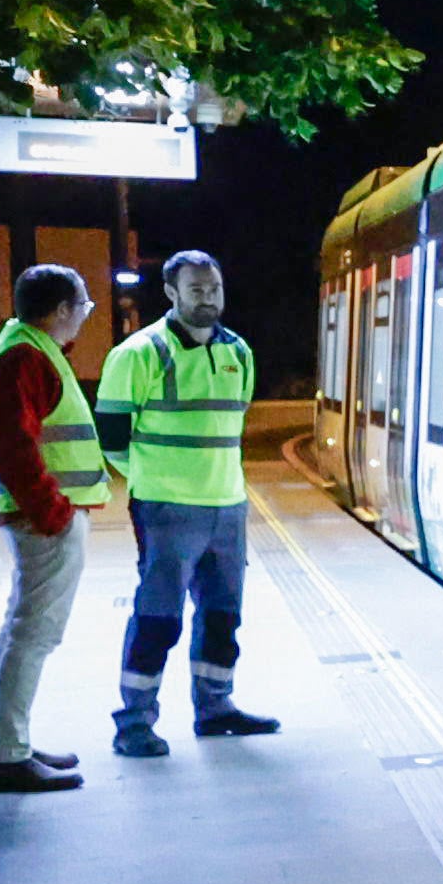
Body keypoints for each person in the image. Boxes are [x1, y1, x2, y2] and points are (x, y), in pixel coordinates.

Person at [98, 249, 279, 754]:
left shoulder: (238, 352)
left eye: (214, 288)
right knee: (159, 618)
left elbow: (230, 424)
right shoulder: (139, 354)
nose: (207, 298)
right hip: (166, 510)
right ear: (171, 293)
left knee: (223, 615)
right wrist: (156, 481)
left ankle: (215, 708)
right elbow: (112, 438)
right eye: (196, 290)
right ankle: (134, 724)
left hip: (228, 506)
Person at [0, 263, 107, 790]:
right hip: (47, 521)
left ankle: (7, 742)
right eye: (83, 306)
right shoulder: (26, 357)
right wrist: (53, 513)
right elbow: (14, 445)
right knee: (34, 633)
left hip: (44, 517)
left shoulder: (27, 348)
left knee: (22, 629)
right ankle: (9, 755)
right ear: (60, 311)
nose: (84, 317)